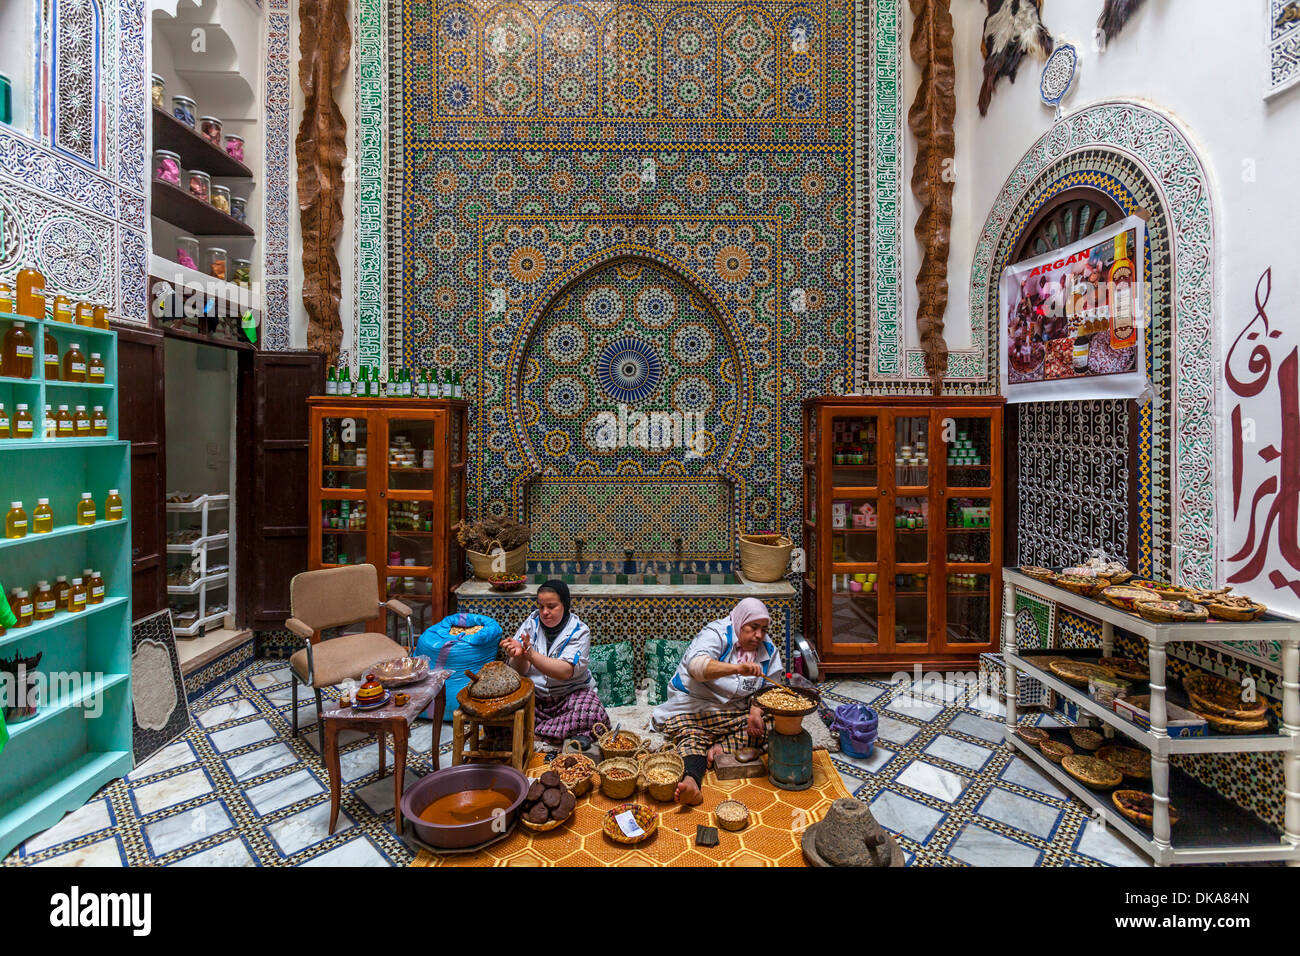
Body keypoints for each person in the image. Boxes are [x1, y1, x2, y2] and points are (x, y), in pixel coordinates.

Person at [651, 598, 782, 805]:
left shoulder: (767, 650)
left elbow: (768, 690)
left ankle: (720, 748)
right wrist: (737, 668)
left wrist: (756, 712)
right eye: (753, 627)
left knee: (776, 722)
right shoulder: (716, 634)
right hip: (695, 706)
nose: (758, 635)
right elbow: (697, 668)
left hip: (735, 712)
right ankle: (692, 781)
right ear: (740, 622)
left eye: (763, 630)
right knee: (691, 735)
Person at [500, 580, 609, 744]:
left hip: (570, 695)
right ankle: (558, 733)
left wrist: (529, 653)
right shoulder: (531, 623)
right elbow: (520, 671)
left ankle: (531, 733)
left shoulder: (579, 631)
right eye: (541, 606)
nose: (545, 612)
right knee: (501, 709)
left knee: (593, 713)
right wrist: (519, 655)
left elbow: (565, 671)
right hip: (536, 697)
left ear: (565, 605)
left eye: (551, 607)